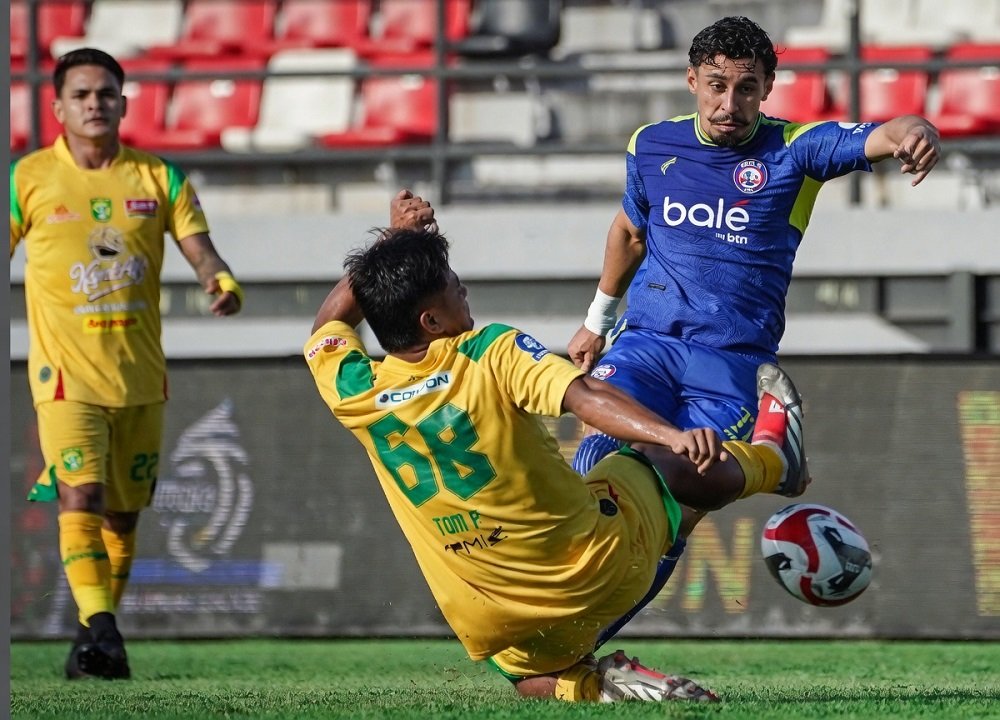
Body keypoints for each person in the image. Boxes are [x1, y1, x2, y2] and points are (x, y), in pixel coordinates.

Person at [304, 214, 810, 704]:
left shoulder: (354, 388)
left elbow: (328, 322)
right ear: (430, 320)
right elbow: (586, 395)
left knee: (525, 673)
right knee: (652, 463)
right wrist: (667, 434)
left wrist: (395, 244)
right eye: (453, 285)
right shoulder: (486, 352)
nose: (463, 290)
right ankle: (773, 460)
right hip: (595, 569)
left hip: (493, 612)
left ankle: (593, 686)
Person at [564, 15, 941, 616]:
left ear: (768, 87)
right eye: (716, 85)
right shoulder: (650, 144)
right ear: (692, 80)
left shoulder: (795, 150)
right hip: (648, 343)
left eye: (746, 87)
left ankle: (587, 646)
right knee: (598, 461)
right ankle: (562, 633)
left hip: (734, 364)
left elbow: (881, 132)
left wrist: (913, 130)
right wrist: (596, 320)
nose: (729, 103)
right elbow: (631, 232)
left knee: (676, 510)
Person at [9, 48, 246, 680]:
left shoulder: (158, 177)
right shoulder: (27, 178)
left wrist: (217, 278)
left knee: (122, 514)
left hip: (140, 377)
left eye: (106, 93)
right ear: (57, 107)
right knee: (78, 494)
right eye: (81, 94)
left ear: (123, 102)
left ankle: (93, 638)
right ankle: (108, 631)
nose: (94, 103)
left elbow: (199, 248)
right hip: (64, 378)